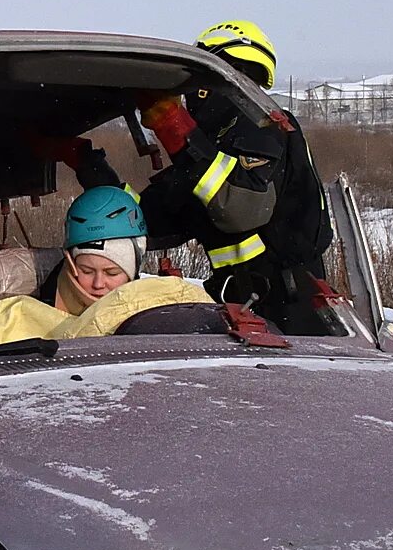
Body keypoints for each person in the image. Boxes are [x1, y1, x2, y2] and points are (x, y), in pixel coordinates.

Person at [134, 20, 338, 333]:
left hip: (288, 317)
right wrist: (88, 166)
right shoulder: (212, 150)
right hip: (243, 310)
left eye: (195, 86)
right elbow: (155, 219)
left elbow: (241, 208)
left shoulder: (265, 127)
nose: (190, 97)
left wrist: (174, 128)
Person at [0, 184, 210, 348]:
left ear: (133, 270)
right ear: (69, 261)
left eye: (112, 272)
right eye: (86, 271)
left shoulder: (158, 308)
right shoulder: (13, 315)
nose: (99, 284)